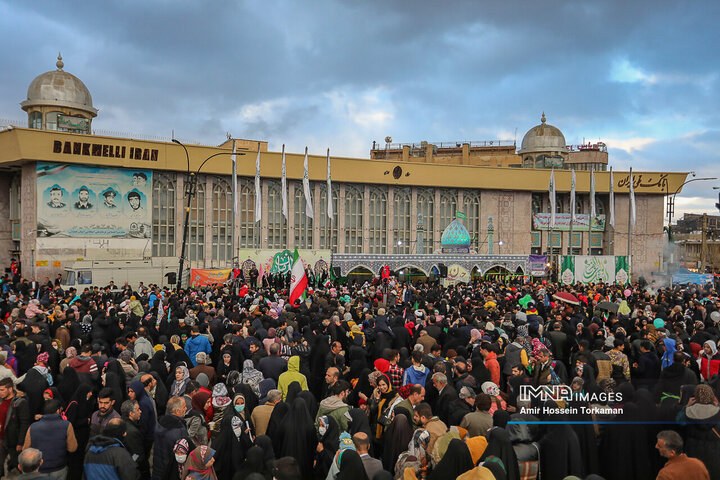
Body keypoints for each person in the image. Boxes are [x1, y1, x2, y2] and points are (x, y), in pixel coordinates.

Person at [22, 399, 78, 480]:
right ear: (58, 410)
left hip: (38, 470)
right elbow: (72, 448)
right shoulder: (67, 425)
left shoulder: (33, 427)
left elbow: (25, 449)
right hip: (59, 468)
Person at [152, 397, 190, 480]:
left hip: (157, 468)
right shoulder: (179, 430)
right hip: (171, 471)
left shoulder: (159, 422)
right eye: (184, 407)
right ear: (177, 411)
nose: (186, 409)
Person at [0, 376, 30, 476]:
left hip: (13, 442)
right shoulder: (1, 401)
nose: (0, 392)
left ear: (10, 389)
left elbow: (24, 424)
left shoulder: (20, 403)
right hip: (1, 439)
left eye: (2, 390)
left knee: (17, 467)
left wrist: (20, 443)